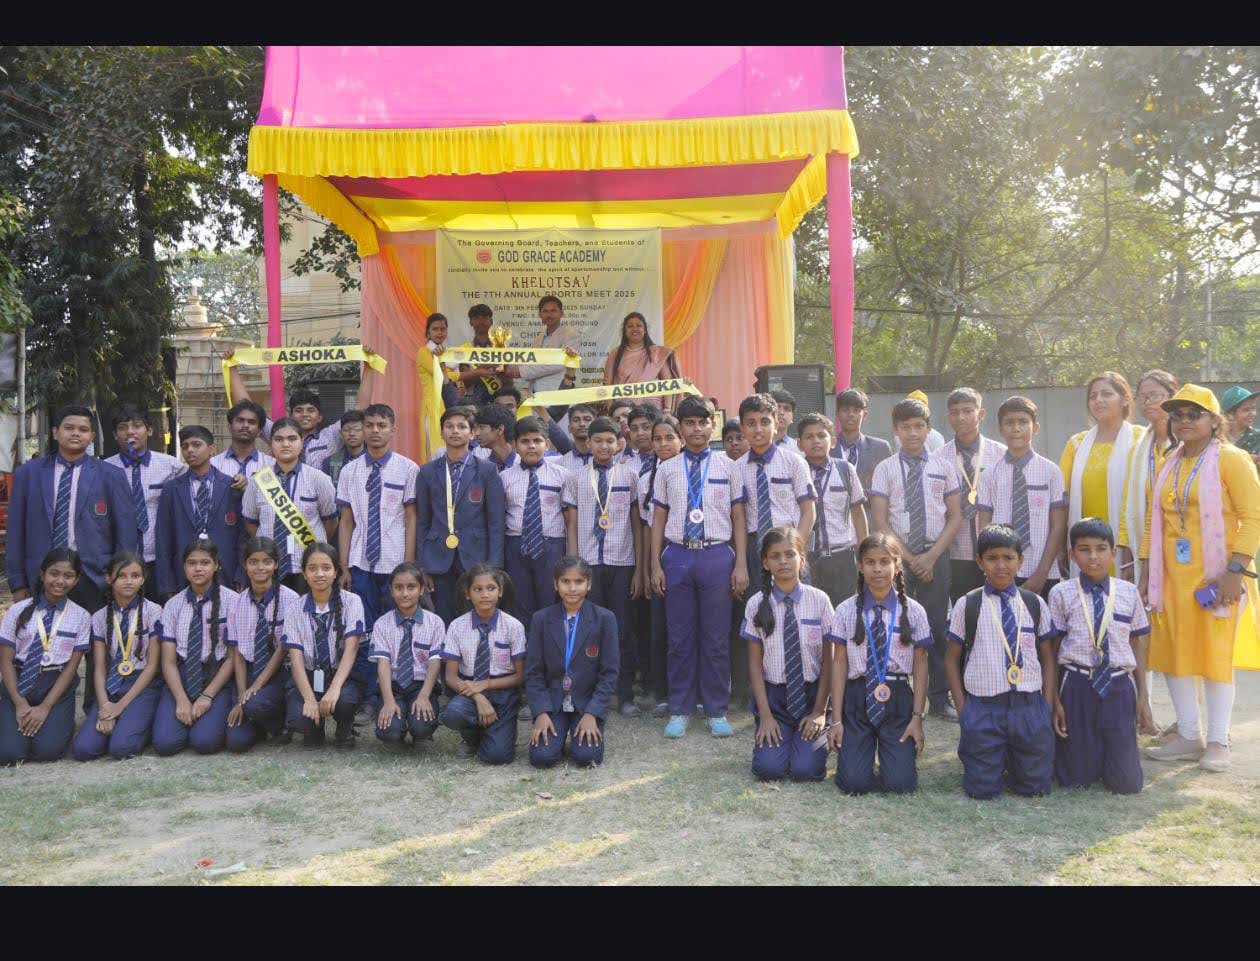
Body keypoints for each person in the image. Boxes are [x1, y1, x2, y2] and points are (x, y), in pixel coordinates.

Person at [1142, 385, 1260, 773]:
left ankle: (1219, 740)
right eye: (1177, 415)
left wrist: (1234, 571)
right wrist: (1146, 572)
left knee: (1215, 657)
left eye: (1194, 414)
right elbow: (1152, 520)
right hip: (1172, 580)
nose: (1185, 421)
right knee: (1175, 654)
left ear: (1214, 420)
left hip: (1217, 579)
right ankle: (1189, 736)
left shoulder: (1232, 459)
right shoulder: (1169, 462)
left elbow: (1253, 517)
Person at [7, 404, 136, 715]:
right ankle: (37, 708)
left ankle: (96, 708)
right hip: (43, 575)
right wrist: (17, 582)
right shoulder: (28, 474)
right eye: (69, 428)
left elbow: (126, 530)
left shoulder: (110, 474)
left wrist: (120, 577)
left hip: (95, 575)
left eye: (82, 429)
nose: (75, 434)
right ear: (55, 432)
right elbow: (16, 531)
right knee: (38, 641)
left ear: (91, 435)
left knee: (99, 646)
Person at [650, 395, 749, 738]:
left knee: (716, 637)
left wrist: (740, 564)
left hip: (716, 554)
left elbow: (738, 516)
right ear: (680, 427)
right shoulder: (667, 468)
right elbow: (658, 518)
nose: (696, 428)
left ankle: (716, 709)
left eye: (702, 422)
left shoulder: (728, 467)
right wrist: (655, 565)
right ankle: (680, 708)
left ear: (713, 425)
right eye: (689, 423)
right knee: (679, 637)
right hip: (677, 555)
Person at [945, 524, 1057, 799]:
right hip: (984, 707)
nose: (1001, 566)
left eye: (1008, 558)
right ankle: (992, 759)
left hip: (1028, 707)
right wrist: (963, 709)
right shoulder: (968, 604)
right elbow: (950, 660)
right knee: (982, 790)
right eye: (992, 558)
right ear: (979, 561)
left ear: (1020, 560)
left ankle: (1015, 760)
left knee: (1035, 788)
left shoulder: (1034, 603)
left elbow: (1048, 657)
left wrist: (1047, 705)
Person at [869, 397, 963, 719]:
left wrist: (932, 556)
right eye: (905, 428)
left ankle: (938, 699)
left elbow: (955, 517)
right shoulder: (885, 469)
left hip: (936, 557)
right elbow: (880, 521)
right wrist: (909, 559)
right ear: (895, 430)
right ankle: (894, 695)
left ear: (928, 429)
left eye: (918, 427)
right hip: (897, 560)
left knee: (936, 628)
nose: (912, 434)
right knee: (895, 625)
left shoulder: (944, 466)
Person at [1049, 518, 1150, 793]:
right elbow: (1052, 648)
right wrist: (1054, 699)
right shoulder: (1061, 593)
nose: (1093, 556)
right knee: (1076, 779)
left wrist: (1143, 697)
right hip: (1077, 684)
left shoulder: (1128, 593)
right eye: (1084, 549)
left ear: (1112, 553)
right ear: (1072, 554)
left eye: (1101, 548)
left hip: (1118, 685)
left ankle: (1114, 757)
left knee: (1127, 784)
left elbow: (1137, 643)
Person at [827, 532, 932, 793]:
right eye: (870, 562)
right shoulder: (845, 610)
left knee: (900, 785)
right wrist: (836, 719)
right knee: (853, 784)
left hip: (897, 699)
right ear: (860, 566)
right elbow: (839, 664)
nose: (877, 569)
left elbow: (921, 666)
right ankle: (857, 761)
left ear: (897, 565)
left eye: (885, 561)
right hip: (857, 696)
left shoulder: (914, 611)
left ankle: (893, 763)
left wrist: (917, 718)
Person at [563, 416, 643, 717]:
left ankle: (625, 695)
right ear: (587, 443)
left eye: (610, 441)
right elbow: (571, 524)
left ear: (619, 443)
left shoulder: (630, 477)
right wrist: (573, 567)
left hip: (621, 562)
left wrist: (638, 568)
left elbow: (637, 524)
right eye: (598, 441)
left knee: (621, 631)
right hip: (587, 566)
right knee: (587, 631)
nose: (604, 446)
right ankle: (586, 694)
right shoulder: (576, 478)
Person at [743, 526, 832, 782]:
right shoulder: (756, 604)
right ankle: (778, 738)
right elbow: (754, 666)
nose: (783, 561)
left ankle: (812, 740)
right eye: (775, 556)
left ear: (802, 558)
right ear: (765, 562)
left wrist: (819, 711)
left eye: (790, 554)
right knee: (768, 770)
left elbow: (829, 661)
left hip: (812, 696)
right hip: (775, 700)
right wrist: (766, 717)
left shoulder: (820, 601)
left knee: (805, 771)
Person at [526, 555, 620, 768]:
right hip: (553, 702)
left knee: (587, 758)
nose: (572, 588)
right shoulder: (541, 619)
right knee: (541, 758)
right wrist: (541, 712)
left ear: (589, 584)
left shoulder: (605, 619)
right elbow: (533, 672)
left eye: (578, 582)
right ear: (555, 584)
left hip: (585, 702)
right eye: (565, 582)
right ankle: (554, 736)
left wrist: (592, 713)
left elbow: (609, 673)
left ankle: (581, 729)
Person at [415, 406, 506, 624]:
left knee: (475, 615)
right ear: (441, 432)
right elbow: (422, 521)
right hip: (438, 557)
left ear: (472, 433)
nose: (455, 431)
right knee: (443, 616)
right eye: (449, 426)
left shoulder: (487, 470)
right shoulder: (427, 472)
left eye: (462, 426)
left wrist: (493, 566)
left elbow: (496, 522)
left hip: (476, 555)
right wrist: (422, 564)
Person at [1126, 371, 1180, 735]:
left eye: (1156, 395)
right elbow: (1129, 502)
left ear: (1173, 398)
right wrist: (1128, 555)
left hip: (1181, 554)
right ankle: (1144, 709)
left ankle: (1187, 721)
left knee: (1179, 635)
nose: (1148, 403)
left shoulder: (1187, 442)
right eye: (1143, 396)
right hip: (1144, 551)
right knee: (1142, 635)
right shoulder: (1140, 445)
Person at [0, 548, 91, 765]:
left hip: (56, 685)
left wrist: (45, 707)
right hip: (19, 683)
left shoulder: (81, 616)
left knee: (47, 752)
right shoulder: (17, 610)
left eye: (68, 576)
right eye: (54, 573)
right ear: (42, 574)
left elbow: (72, 667)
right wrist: (20, 703)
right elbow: (5, 660)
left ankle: (56, 724)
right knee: (9, 755)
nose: (60, 581)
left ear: (76, 580)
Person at [71, 551, 164, 761]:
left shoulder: (154, 611)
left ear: (143, 579)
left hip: (142, 684)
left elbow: (152, 666)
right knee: (84, 750)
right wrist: (105, 706)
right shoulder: (99, 616)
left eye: (135, 575)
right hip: (112, 685)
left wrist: (120, 707)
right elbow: (100, 666)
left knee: (121, 749)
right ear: (108, 579)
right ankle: (124, 723)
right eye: (122, 576)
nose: (128, 581)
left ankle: (142, 726)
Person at [335, 403, 418, 633]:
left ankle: (395, 668)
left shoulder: (408, 469)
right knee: (363, 623)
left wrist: (408, 563)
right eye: (369, 425)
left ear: (393, 429)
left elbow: (411, 518)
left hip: (394, 559)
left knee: (397, 621)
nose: (375, 431)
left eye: (382, 425)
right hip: (360, 560)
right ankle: (368, 669)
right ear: (362, 429)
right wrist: (344, 565)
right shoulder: (349, 472)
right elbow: (346, 521)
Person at [224, 352, 381, 473]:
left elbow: (360, 408)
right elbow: (248, 409)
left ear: (320, 417)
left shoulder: (331, 435)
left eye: (310, 411)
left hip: (319, 502)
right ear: (291, 415)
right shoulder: (278, 432)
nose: (305, 414)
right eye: (299, 411)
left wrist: (368, 367)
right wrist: (231, 368)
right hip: (285, 500)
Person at [152, 538, 239, 756]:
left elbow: (231, 658)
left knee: (204, 743)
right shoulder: (173, 605)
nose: (198, 568)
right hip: (181, 677)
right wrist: (181, 699)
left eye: (205, 562)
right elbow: (168, 661)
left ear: (217, 565)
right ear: (184, 567)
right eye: (192, 563)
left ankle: (205, 723)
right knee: (165, 745)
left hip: (216, 676)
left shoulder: (233, 601)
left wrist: (207, 696)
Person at [976, 396, 1067, 598]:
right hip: (1001, 570)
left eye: (1023, 422)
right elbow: (984, 526)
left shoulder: (1051, 471)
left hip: (1043, 570)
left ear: (1035, 427)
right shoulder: (989, 475)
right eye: (1009, 423)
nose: (1016, 428)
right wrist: (991, 568)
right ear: (1000, 429)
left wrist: (1042, 573)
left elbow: (1058, 525)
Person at [283, 543, 367, 750]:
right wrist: (310, 699)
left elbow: (351, 650)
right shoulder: (294, 608)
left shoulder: (352, 602)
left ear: (336, 571)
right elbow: (295, 660)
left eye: (326, 568)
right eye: (312, 568)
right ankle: (314, 728)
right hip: (309, 677)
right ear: (303, 573)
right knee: (298, 719)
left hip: (341, 676)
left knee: (344, 701)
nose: (319, 574)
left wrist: (334, 689)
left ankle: (344, 729)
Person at [439, 564, 526, 764]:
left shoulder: (513, 626)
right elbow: (451, 676)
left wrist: (486, 685)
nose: (485, 594)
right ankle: (471, 737)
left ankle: (495, 733)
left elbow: (520, 676)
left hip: (503, 693)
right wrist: (478, 696)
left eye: (491, 588)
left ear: (500, 591)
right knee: (453, 714)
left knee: (497, 757)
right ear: (468, 594)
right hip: (469, 689)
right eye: (478, 589)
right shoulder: (457, 626)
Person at [1059, 372, 1142, 579]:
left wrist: (1129, 545)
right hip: (1084, 546)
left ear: (1125, 399)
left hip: (1130, 544)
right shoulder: (1076, 444)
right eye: (1093, 396)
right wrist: (1061, 547)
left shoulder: (1142, 440)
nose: (1099, 400)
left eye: (1106, 394)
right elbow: (1062, 500)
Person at [242, 416, 339, 594]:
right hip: (269, 567)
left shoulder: (319, 479)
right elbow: (250, 522)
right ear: (271, 444)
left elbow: (330, 521)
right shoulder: (258, 481)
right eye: (279, 439)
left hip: (307, 568)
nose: (285, 444)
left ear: (301, 442)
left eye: (292, 439)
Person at [225, 537, 300, 752]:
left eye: (267, 562)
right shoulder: (236, 602)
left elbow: (281, 650)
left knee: (255, 703)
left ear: (276, 564)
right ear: (245, 565)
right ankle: (257, 722)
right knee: (236, 743)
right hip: (248, 670)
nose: (260, 567)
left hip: (278, 674)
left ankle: (279, 725)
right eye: (253, 562)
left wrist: (255, 688)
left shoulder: (290, 599)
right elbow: (237, 654)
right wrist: (242, 695)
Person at [734, 393, 816, 588]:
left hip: (789, 540)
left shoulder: (794, 462)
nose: (758, 429)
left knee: (796, 606)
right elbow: (738, 518)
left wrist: (796, 550)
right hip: (754, 547)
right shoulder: (736, 468)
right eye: (751, 423)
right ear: (743, 429)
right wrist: (741, 564)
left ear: (776, 424)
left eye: (765, 422)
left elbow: (808, 511)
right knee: (759, 607)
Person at [105, 404, 186, 596]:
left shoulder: (172, 467)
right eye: (123, 427)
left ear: (149, 430)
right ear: (115, 435)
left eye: (137, 426)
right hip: (121, 563)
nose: (130, 432)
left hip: (159, 560)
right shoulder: (105, 470)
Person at [154, 426, 242, 599]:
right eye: (185, 446)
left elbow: (241, 536)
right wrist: (166, 584)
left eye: (196, 444)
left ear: (211, 449)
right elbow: (163, 539)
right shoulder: (172, 489)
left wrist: (241, 575)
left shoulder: (232, 486)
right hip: (183, 572)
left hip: (225, 571)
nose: (190, 450)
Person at [501, 416, 569, 632]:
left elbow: (569, 518)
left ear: (546, 444)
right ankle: (527, 659)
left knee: (551, 602)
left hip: (551, 546)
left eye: (537, 440)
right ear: (515, 445)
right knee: (520, 603)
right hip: (515, 545)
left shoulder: (562, 476)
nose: (531, 446)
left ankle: (551, 657)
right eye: (525, 441)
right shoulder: (504, 477)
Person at [939, 388, 1006, 601]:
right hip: (955, 549)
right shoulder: (938, 458)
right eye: (955, 412)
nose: (961, 417)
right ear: (948, 417)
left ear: (981, 414)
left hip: (994, 549)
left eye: (967, 411)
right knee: (963, 609)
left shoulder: (1001, 454)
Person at [371, 562, 445, 749]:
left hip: (421, 685)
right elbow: (383, 664)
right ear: (391, 590)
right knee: (390, 731)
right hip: (393, 686)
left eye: (411, 587)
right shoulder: (382, 624)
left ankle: (422, 733)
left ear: (421, 590)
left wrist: (424, 696)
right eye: (399, 588)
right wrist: (388, 701)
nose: (405, 593)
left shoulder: (435, 623)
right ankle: (397, 732)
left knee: (421, 726)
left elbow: (435, 663)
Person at [798, 412, 868, 606]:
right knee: (811, 613)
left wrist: (864, 553)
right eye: (809, 437)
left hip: (841, 557)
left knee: (845, 613)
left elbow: (858, 513)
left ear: (833, 441)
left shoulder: (846, 470)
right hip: (806, 558)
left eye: (821, 435)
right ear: (799, 444)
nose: (816, 441)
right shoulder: (794, 470)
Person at [640, 415, 682, 716]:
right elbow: (646, 527)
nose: (663, 444)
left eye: (670, 437)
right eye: (658, 439)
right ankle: (663, 692)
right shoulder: (646, 479)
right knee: (661, 627)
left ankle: (692, 691)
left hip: (689, 551)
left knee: (688, 627)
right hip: (660, 555)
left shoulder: (696, 471)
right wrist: (648, 567)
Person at [601, 312, 681, 412]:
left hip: (653, 410)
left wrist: (667, 410)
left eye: (639, 325)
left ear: (645, 330)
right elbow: (608, 384)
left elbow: (668, 383)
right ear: (625, 332)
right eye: (630, 326)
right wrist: (612, 411)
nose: (635, 329)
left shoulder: (657, 353)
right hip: (624, 410)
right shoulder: (615, 354)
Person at [518, 295, 582, 396]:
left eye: (553, 311)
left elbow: (556, 363)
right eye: (545, 311)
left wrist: (520, 371)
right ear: (540, 314)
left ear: (561, 313)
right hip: (534, 394)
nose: (549, 315)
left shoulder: (571, 336)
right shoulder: (538, 339)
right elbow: (532, 362)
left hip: (557, 394)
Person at [456, 303, 518, 407]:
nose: (481, 321)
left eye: (485, 317)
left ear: (491, 321)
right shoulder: (464, 349)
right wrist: (486, 367)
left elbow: (508, 380)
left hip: (499, 400)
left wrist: (501, 373)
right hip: (472, 402)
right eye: (476, 318)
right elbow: (466, 382)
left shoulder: (500, 347)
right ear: (471, 322)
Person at [832, 388, 893, 490]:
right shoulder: (827, 449)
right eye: (845, 410)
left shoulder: (880, 448)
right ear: (837, 414)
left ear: (864, 415)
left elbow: (889, 485)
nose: (850, 414)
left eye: (856, 410)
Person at [210, 399, 275, 489]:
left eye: (251, 422)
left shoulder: (271, 465)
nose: (245, 425)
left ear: (259, 431)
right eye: (240, 420)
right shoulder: (213, 464)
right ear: (229, 427)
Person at [491, 386, 572, 453]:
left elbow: (567, 448)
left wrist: (541, 411)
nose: (504, 410)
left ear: (518, 407)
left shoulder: (531, 426)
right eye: (500, 406)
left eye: (509, 406)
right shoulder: (486, 431)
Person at [324, 410, 366, 488]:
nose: (351, 434)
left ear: (365, 432)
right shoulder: (330, 462)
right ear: (341, 433)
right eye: (347, 430)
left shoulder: (373, 460)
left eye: (357, 430)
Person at [472, 402, 519, 472]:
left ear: (500, 429)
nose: (477, 433)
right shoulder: (479, 466)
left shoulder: (522, 465)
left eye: (481, 427)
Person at [1221, 385, 1260, 464]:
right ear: (1230, 415)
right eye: (1246, 410)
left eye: (1253, 408)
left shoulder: (1258, 437)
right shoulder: (1216, 440)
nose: (1252, 413)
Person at [556, 404, 597, 473]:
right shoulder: (560, 465)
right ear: (569, 428)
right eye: (576, 420)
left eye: (587, 419)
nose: (582, 424)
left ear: (596, 424)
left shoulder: (607, 459)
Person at [769, 389, 800, 454]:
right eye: (777, 408)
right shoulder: (753, 445)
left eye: (787, 409)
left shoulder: (799, 449)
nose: (781, 412)